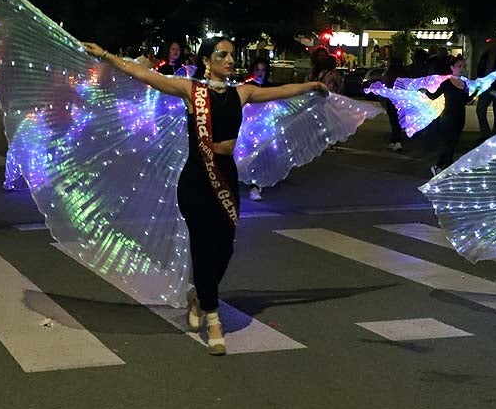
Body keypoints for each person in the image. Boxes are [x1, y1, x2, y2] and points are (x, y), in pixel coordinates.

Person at [83, 37, 329, 355]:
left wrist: (311, 86)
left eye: (231, 54)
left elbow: (279, 93)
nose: (229, 59)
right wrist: (106, 55)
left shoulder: (243, 92)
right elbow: (145, 75)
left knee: (224, 246)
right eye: (221, 55)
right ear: (206, 62)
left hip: (225, 178)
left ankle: (199, 297)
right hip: (196, 180)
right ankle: (213, 318)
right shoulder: (192, 92)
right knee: (202, 244)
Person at [423, 54, 469, 174]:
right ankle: (442, 167)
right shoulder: (447, 83)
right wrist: (424, 91)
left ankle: (440, 167)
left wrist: (477, 92)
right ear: (452, 68)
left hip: (460, 117)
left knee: (453, 144)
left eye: (463, 66)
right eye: (459, 66)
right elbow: (433, 96)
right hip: (448, 117)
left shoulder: (464, 85)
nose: (462, 68)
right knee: (449, 144)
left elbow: (466, 101)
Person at [475, 40, 496, 138]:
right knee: (480, 110)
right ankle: (485, 133)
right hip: (486, 86)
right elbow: (480, 69)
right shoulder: (486, 55)